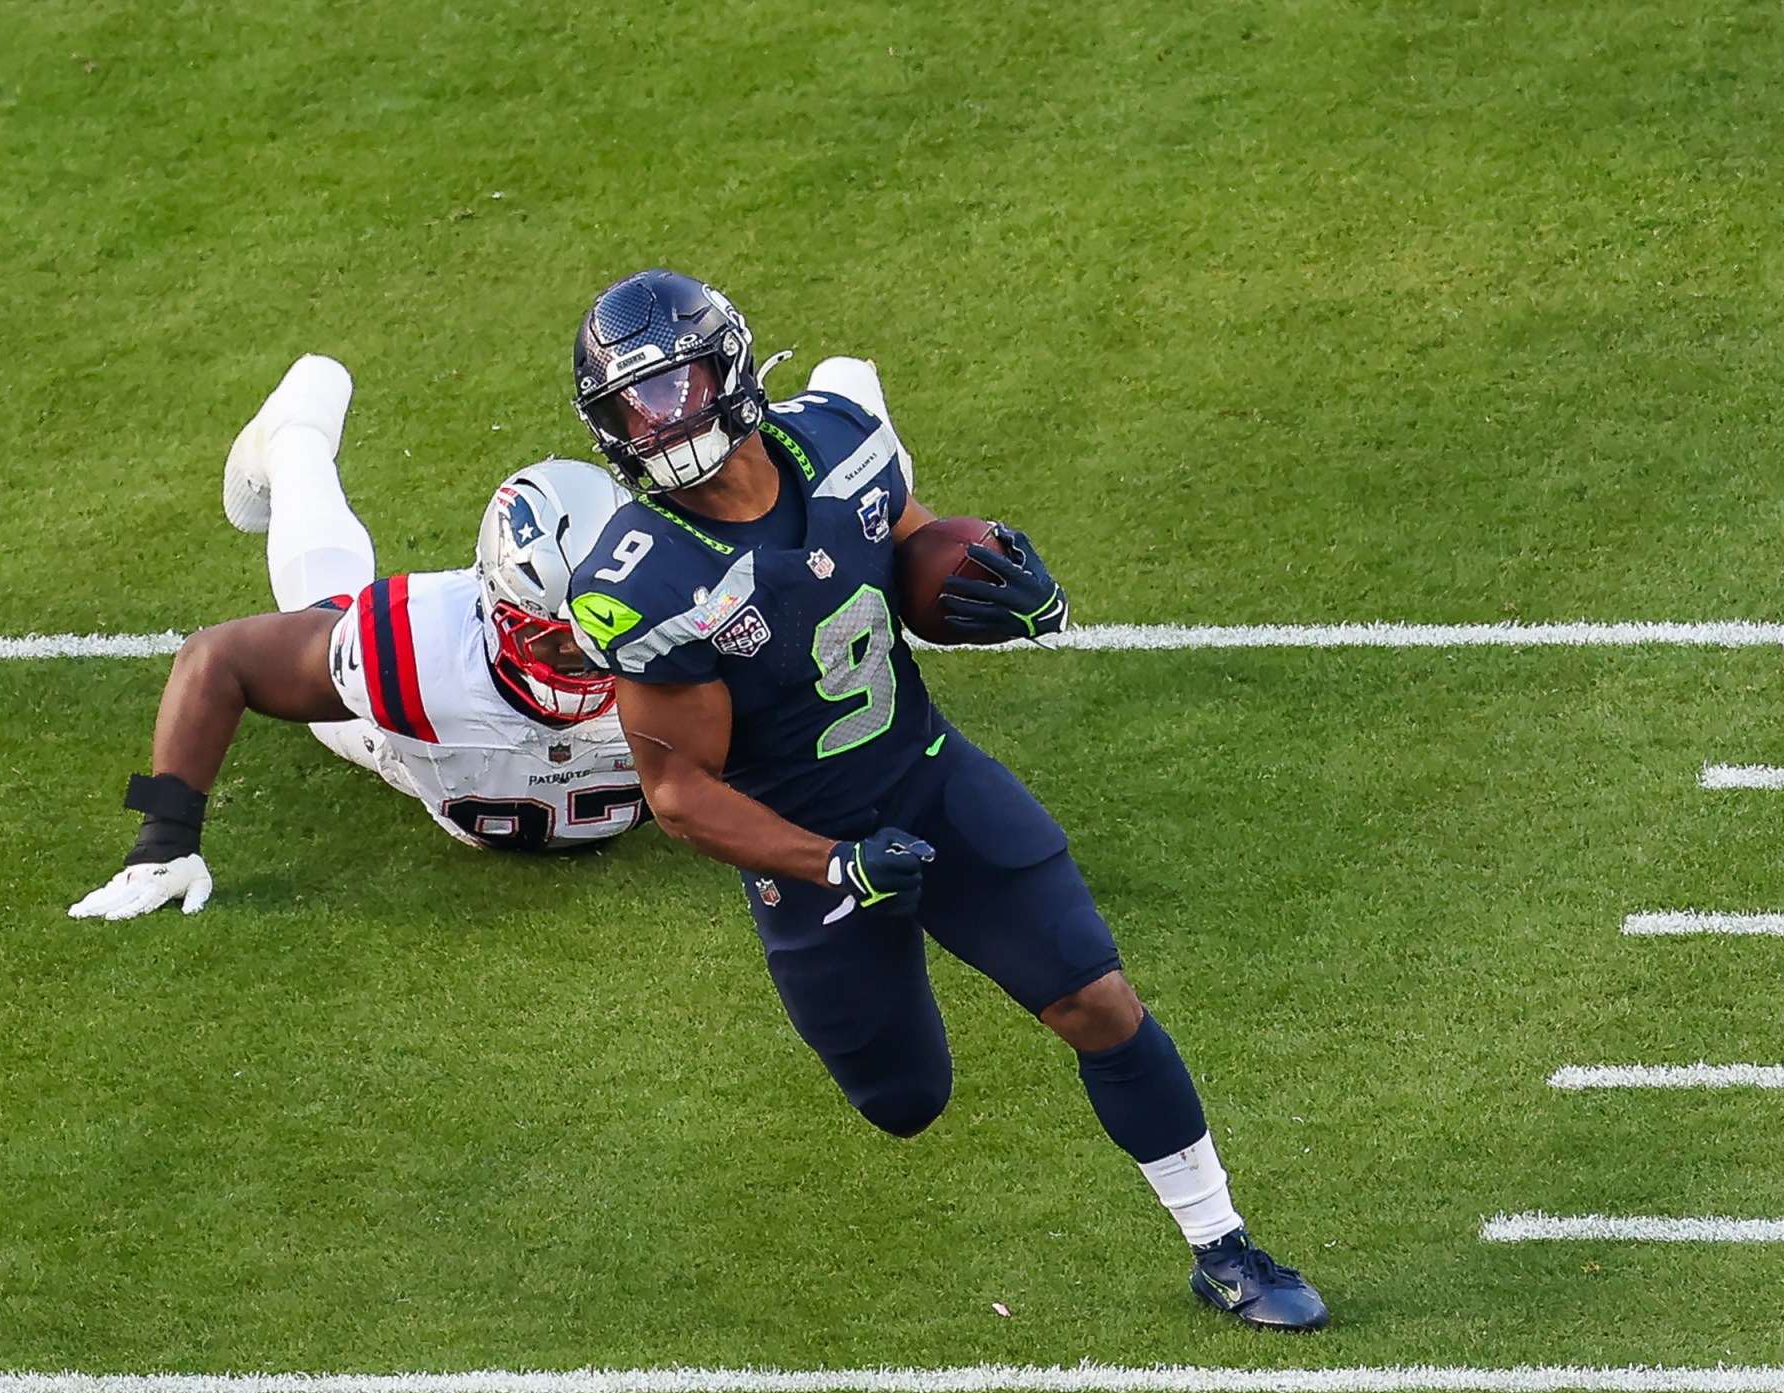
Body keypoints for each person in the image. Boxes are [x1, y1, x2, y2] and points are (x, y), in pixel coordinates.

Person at [562, 271, 1327, 1330]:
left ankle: (1222, 1244)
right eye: (633, 407)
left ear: (729, 368)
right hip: (812, 851)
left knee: (1097, 999)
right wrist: (836, 864)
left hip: (928, 776)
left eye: (676, 387)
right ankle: (874, 943)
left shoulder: (837, 438)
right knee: (905, 1101)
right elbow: (681, 792)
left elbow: (911, 550)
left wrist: (996, 586)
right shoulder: (645, 579)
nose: (660, 422)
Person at [71, 356, 645, 920]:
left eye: (602, 630)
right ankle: (295, 435)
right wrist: (163, 842)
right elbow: (215, 658)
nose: (583, 657)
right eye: (553, 640)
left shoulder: (692, 636)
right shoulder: (415, 651)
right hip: (403, 749)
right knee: (323, 603)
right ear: (495, 610)